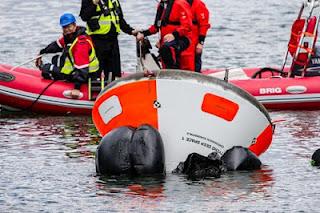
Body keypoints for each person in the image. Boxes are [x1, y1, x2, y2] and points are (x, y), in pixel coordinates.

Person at [35, 13, 99, 98]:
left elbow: (82, 68)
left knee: (46, 69)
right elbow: (56, 45)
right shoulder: (70, 36)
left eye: (69, 27)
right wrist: (41, 52)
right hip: (78, 71)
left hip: (87, 75)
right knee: (56, 59)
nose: (67, 29)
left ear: (74, 25)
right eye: (64, 27)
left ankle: (56, 79)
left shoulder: (81, 42)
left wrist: (77, 88)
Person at [80, 0, 137, 81]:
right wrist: (94, 4)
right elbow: (84, 16)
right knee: (97, 70)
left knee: (114, 70)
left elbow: (120, 19)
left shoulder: (114, 1)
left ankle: (113, 86)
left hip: (113, 40)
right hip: (98, 41)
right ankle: (96, 87)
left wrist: (131, 31)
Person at [136, 0, 194, 71]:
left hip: (182, 38)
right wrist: (143, 33)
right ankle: (166, 72)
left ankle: (173, 73)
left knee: (167, 48)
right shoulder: (161, 5)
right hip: (167, 40)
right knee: (164, 49)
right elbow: (155, 27)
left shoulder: (181, 3)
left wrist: (174, 35)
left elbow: (187, 26)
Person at [186, 0, 210, 73]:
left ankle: (197, 75)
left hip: (194, 39)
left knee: (196, 59)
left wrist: (200, 43)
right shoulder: (179, 3)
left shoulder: (198, 4)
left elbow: (204, 25)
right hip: (184, 39)